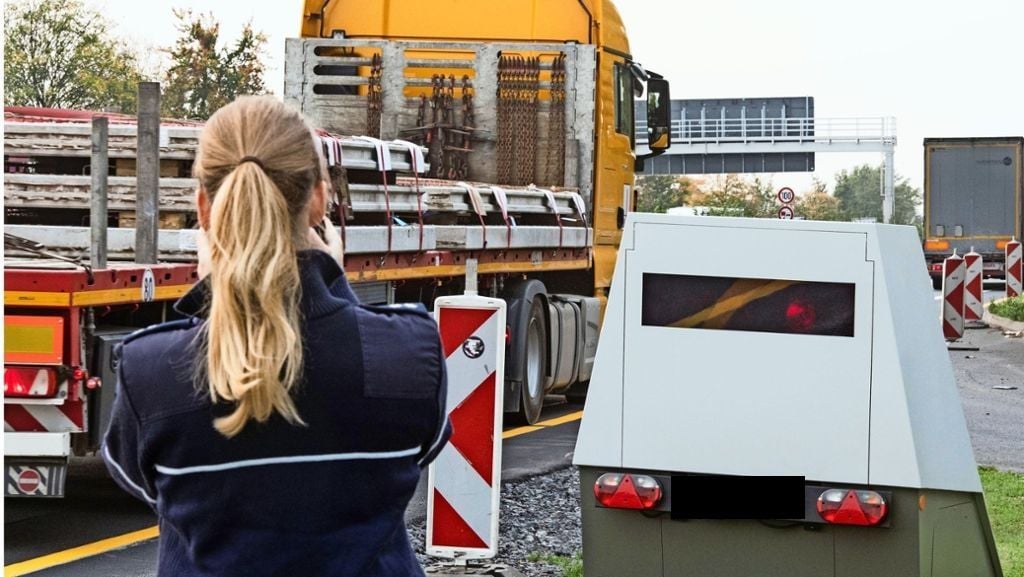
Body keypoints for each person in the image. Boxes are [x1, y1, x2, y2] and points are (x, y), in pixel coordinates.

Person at [103, 96, 450, 577]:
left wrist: (214, 290)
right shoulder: (407, 352)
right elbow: (422, 447)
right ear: (318, 200)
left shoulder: (152, 369)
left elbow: (148, 486)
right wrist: (333, 280)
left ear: (205, 207)